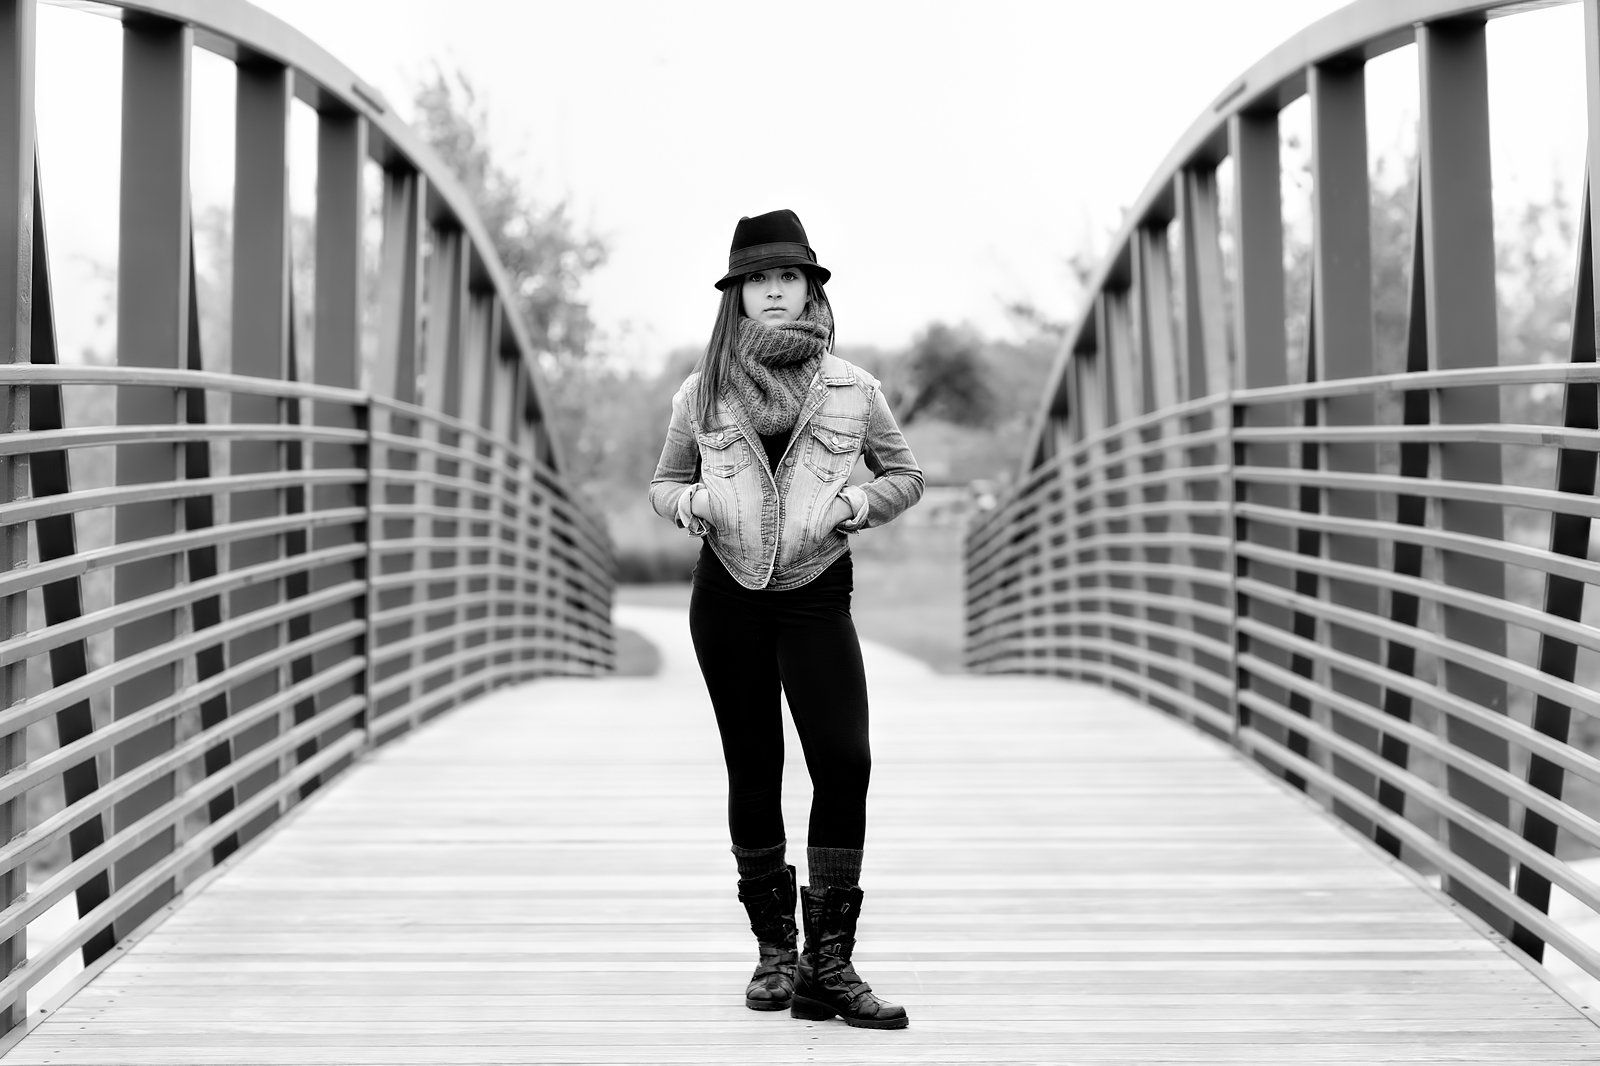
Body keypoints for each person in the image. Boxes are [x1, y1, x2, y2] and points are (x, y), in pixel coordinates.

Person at [648, 209, 923, 1030]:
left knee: (845, 760)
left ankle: (827, 966)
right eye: (758, 279)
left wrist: (861, 503)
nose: (774, 291)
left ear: (809, 289)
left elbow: (905, 474)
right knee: (754, 764)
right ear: (736, 295)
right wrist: (689, 503)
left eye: (788, 277)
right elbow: (664, 482)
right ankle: (776, 955)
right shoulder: (701, 391)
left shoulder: (853, 388)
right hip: (726, 593)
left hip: (815, 588)